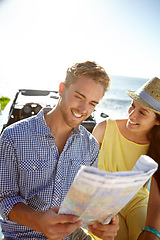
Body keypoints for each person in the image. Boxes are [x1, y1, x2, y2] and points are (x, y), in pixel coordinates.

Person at [0, 61, 119, 240]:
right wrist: (38, 221)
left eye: (92, 103)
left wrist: (102, 223)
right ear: (62, 89)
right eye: (79, 96)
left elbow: (86, 202)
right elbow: (3, 198)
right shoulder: (13, 136)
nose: (83, 109)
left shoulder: (91, 146)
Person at [89, 77, 160, 240]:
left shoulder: (157, 145)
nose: (132, 115)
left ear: (157, 121)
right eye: (132, 106)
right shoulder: (104, 128)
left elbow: (156, 190)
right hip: (102, 198)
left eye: (142, 112)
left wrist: (153, 231)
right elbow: (85, 171)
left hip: (135, 201)